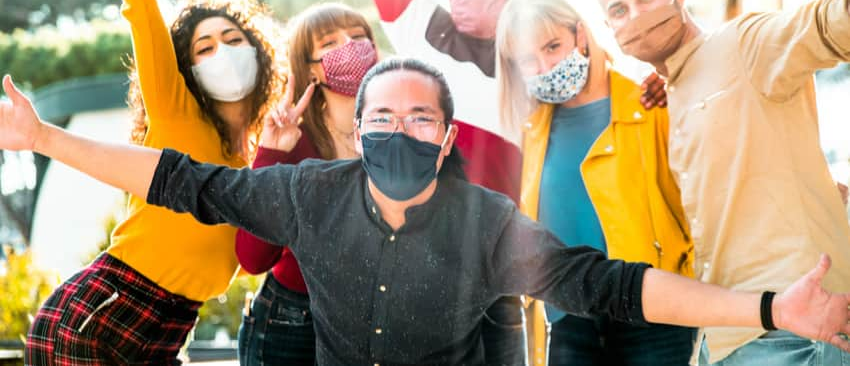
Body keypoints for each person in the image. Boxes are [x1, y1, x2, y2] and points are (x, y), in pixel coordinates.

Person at [2, 58, 850, 365]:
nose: (399, 134)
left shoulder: (487, 225)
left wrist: (771, 309)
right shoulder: (308, 193)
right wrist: (43, 137)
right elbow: (176, 177)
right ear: (357, 132)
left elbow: (617, 288)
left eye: (420, 121)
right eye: (381, 120)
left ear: (446, 142)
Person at [353, 0, 668, 361]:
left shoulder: (543, 67)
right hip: (431, 272)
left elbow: (606, 88)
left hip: (514, 281)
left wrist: (662, 80)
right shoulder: (424, 36)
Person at [24, 0, 282, 364]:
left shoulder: (260, 166)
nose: (221, 52)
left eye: (232, 39)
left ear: (259, 53)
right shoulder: (176, 109)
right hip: (100, 314)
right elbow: (140, 3)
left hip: (172, 330)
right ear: (187, 65)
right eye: (204, 47)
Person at [590, 0, 850, 365]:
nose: (636, 16)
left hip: (795, 329)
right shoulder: (672, 92)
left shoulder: (744, 43)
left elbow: (824, 25)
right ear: (609, 27)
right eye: (619, 10)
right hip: (728, 334)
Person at [495, 0, 696, 365]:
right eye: (527, 59)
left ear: (580, 35)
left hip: (652, 310)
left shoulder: (651, 104)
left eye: (553, 46)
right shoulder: (531, 131)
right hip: (570, 317)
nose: (545, 66)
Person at [235, 2, 372, 365]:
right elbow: (253, 258)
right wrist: (272, 155)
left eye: (359, 37)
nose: (350, 45)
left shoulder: (398, 130)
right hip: (292, 323)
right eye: (330, 43)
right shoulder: (296, 142)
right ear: (310, 71)